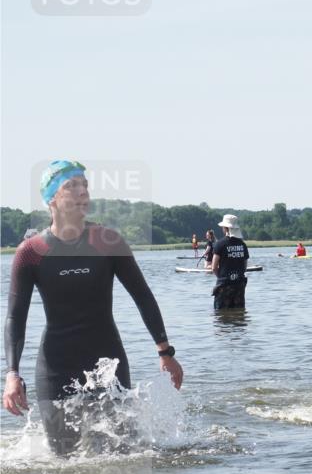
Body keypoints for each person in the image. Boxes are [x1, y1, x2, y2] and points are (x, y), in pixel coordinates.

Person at [3, 160, 184, 455]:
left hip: (107, 363)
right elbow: (14, 316)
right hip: (55, 369)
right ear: (51, 198)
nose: (81, 192)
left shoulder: (107, 242)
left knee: (121, 455)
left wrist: (165, 351)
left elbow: (143, 296)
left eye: (84, 185)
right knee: (64, 461)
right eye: (70, 186)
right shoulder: (31, 252)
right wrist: (12, 374)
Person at [211, 214, 250, 309]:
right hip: (239, 285)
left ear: (225, 228)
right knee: (239, 314)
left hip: (224, 285)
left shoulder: (220, 244)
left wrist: (221, 277)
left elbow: (214, 267)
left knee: (220, 315)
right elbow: (244, 267)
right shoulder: (242, 244)